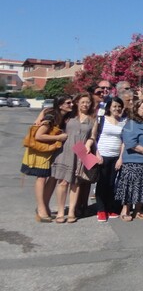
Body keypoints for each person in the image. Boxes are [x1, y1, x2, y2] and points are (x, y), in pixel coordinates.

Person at [50, 93, 94, 222]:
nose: (85, 104)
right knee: (63, 182)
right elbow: (54, 117)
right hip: (66, 150)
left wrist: (89, 143)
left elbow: (93, 136)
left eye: (88, 102)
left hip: (81, 150)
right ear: (78, 103)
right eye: (83, 102)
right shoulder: (69, 116)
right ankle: (60, 212)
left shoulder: (92, 119)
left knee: (76, 183)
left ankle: (71, 212)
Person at [24, 99, 69, 222]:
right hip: (41, 151)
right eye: (68, 103)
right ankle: (41, 209)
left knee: (52, 177)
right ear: (60, 105)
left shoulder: (61, 116)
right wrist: (59, 137)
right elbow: (39, 135)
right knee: (42, 177)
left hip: (50, 151)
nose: (71, 105)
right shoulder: (51, 116)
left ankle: (44, 206)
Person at [116, 99, 143, 221]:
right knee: (130, 186)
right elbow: (129, 141)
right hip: (134, 160)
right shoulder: (131, 124)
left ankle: (138, 209)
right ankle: (125, 210)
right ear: (136, 109)